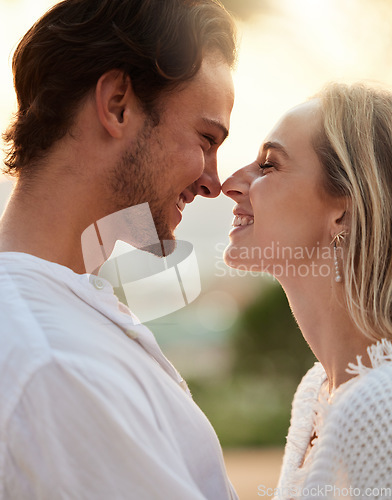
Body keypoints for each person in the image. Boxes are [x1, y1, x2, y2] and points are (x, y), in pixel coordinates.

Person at [0, 1, 238, 498]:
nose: (214, 182)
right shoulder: (55, 363)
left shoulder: (60, 318)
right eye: (206, 137)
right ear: (117, 106)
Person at [222, 82, 392, 499]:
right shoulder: (316, 394)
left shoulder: (380, 406)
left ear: (344, 209)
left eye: (269, 165)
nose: (230, 183)